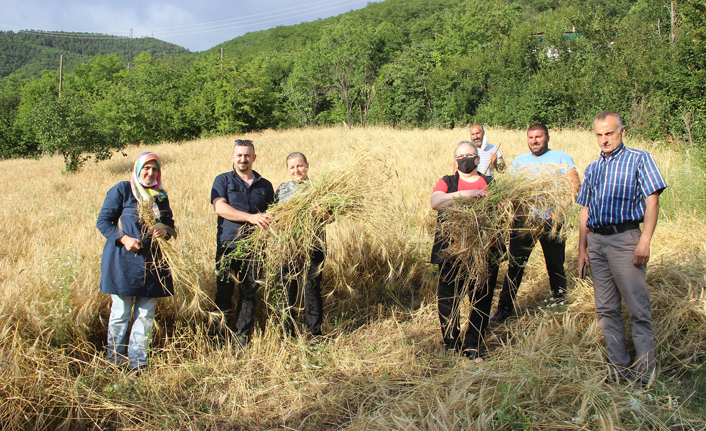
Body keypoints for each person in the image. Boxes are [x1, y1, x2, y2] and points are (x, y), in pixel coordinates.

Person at [577, 112, 666, 386]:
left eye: (610, 133)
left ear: (622, 131)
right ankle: (618, 369)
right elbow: (586, 210)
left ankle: (644, 374)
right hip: (598, 241)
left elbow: (652, 203)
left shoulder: (640, 159)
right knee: (606, 309)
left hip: (625, 239)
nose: (604, 140)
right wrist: (582, 248)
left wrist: (645, 241)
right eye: (599, 135)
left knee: (638, 308)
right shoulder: (593, 168)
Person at [490, 123, 581, 324]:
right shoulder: (520, 161)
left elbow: (574, 186)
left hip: (552, 221)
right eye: (531, 137)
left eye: (538, 137)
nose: (534, 141)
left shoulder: (561, 158)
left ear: (547, 137)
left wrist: (558, 210)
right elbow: (511, 188)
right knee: (515, 266)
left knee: (555, 264)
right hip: (524, 222)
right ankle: (504, 308)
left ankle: (559, 302)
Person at [97, 152, 175, 371]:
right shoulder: (122, 190)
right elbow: (103, 221)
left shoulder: (160, 195)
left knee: (145, 315)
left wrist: (165, 230)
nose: (150, 173)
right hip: (123, 263)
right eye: (146, 168)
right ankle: (114, 360)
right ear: (138, 169)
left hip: (153, 266)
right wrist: (123, 238)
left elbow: (170, 225)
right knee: (120, 313)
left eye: (155, 169)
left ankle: (137, 363)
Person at [430, 141, 500, 362]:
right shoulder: (447, 182)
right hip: (452, 252)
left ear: (478, 159)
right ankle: (451, 344)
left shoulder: (491, 183)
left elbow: (504, 206)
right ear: (455, 161)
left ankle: (472, 346)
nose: (465, 159)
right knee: (448, 299)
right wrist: (468, 194)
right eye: (461, 156)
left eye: (470, 155)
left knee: (481, 300)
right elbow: (435, 201)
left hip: (484, 252)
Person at [211, 139, 275, 347]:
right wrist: (250, 217)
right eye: (239, 155)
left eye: (247, 155)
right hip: (228, 246)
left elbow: (273, 214)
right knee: (223, 292)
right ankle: (218, 339)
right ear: (233, 157)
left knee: (249, 293)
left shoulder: (265, 186)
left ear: (254, 158)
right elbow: (220, 208)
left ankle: (242, 338)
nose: (243, 159)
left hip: (255, 248)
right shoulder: (223, 181)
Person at [275, 152, 326, 342]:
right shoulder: (282, 189)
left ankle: (314, 334)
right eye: (292, 167)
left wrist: (320, 212)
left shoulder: (319, 189)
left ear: (307, 166)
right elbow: (274, 216)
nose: (296, 170)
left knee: (311, 289)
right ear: (288, 170)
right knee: (288, 289)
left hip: (314, 246)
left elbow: (330, 217)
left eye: (300, 166)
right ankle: (287, 334)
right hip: (288, 248)